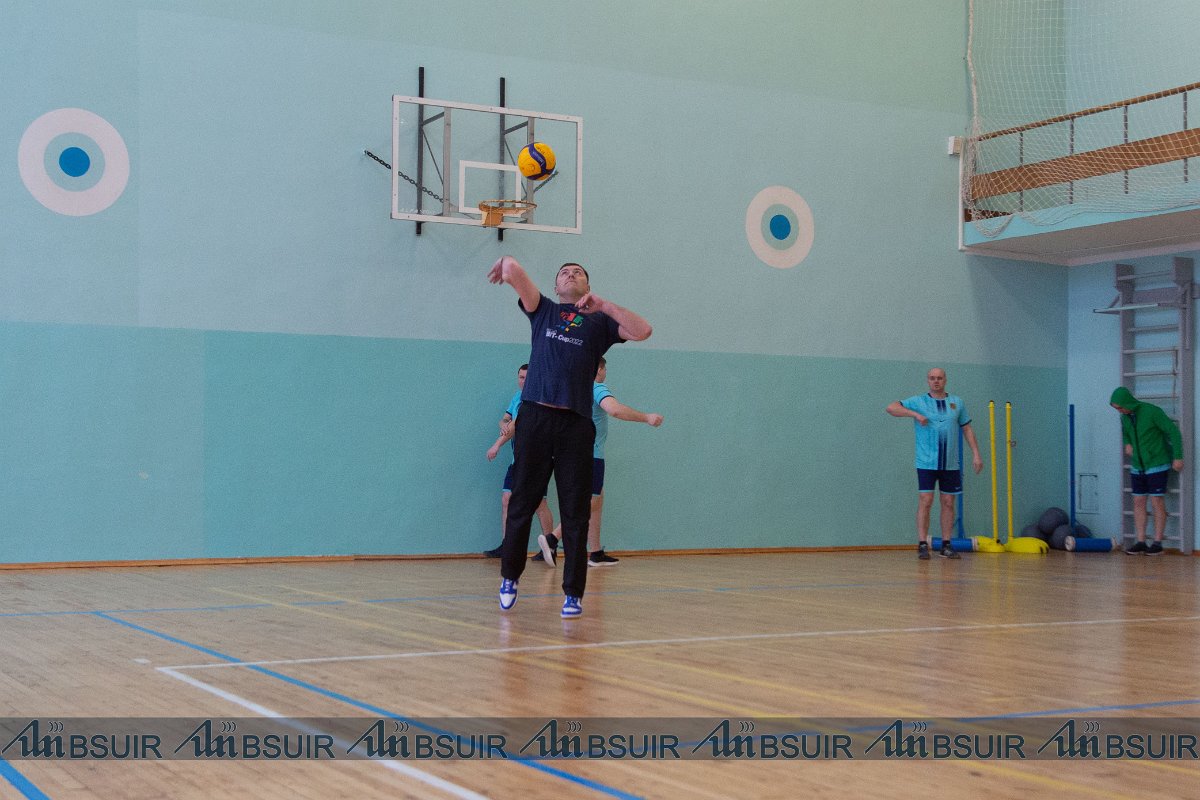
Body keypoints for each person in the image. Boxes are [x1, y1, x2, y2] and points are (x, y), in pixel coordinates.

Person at [487, 256, 652, 618]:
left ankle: (573, 594)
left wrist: (605, 306)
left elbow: (643, 331)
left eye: (578, 272)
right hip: (536, 418)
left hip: (575, 425)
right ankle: (510, 578)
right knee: (522, 502)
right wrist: (506, 264)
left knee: (575, 512)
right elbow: (516, 274)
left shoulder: (599, 322)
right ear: (556, 286)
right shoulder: (543, 310)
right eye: (564, 272)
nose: (571, 274)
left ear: (587, 286)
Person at [536, 357, 663, 568]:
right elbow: (614, 409)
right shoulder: (596, 387)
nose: (605, 373)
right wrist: (647, 417)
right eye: (604, 369)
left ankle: (595, 552)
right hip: (590, 454)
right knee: (591, 501)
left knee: (597, 499)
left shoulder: (573, 388)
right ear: (598, 370)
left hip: (571, 453)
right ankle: (553, 538)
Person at [886, 367, 984, 560]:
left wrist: (976, 454)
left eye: (939, 378)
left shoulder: (957, 402)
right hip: (926, 462)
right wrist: (915, 415)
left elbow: (967, 428)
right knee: (926, 500)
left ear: (945, 380)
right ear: (928, 380)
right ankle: (922, 543)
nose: (936, 381)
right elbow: (891, 408)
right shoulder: (919, 401)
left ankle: (946, 545)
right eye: (932, 378)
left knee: (948, 502)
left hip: (950, 463)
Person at [483, 364, 555, 558]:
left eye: (527, 377)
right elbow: (506, 420)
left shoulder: (535, 400)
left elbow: (515, 426)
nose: (523, 381)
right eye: (521, 377)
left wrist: (497, 445)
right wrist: (503, 425)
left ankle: (550, 546)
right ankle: (507, 546)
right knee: (507, 499)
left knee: (539, 503)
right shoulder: (517, 397)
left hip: (536, 460)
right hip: (518, 460)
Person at [1110, 386, 1184, 555]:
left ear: (1127, 402)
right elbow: (1126, 433)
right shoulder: (1124, 418)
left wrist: (1178, 456)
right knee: (1138, 501)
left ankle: (1157, 542)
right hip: (1138, 466)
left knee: (1157, 501)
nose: (1119, 411)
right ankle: (1141, 541)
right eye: (1116, 409)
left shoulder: (1152, 412)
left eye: (1120, 407)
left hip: (1156, 463)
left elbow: (1173, 431)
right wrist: (1127, 443)